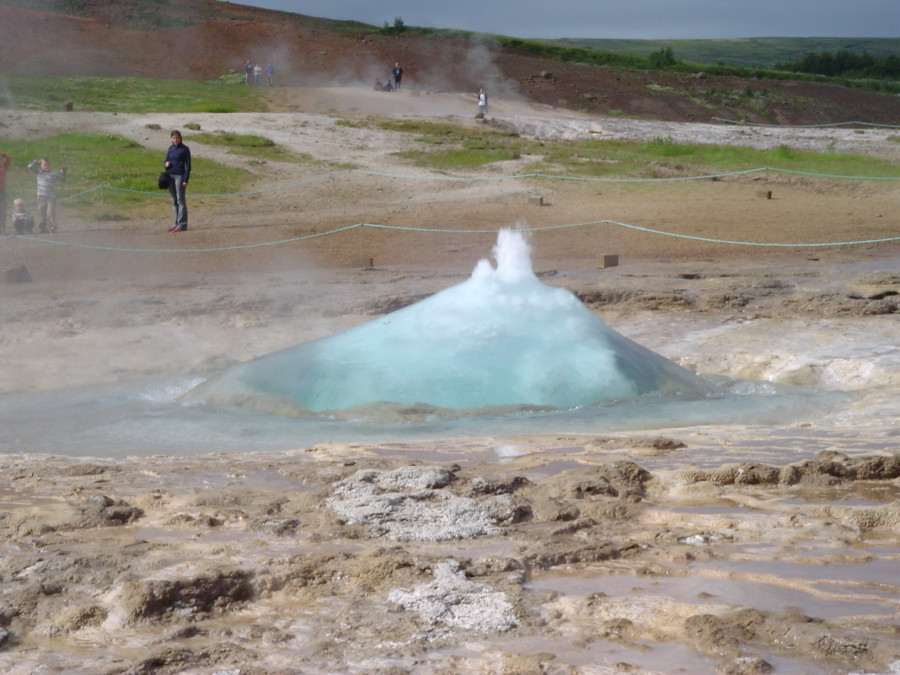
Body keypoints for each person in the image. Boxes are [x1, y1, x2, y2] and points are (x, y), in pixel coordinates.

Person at [27, 157, 66, 233]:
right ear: (41, 165)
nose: (46, 166)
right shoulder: (38, 172)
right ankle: (43, 227)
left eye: (48, 165)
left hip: (50, 196)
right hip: (41, 196)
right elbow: (30, 167)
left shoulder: (53, 174)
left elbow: (62, 178)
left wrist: (63, 171)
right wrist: (36, 162)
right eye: (44, 165)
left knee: (50, 212)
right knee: (42, 212)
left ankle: (52, 227)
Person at [163, 129, 191, 232]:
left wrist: (185, 179)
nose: (175, 140)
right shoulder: (170, 149)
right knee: (174, 200)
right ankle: (176, 223)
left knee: (180, 200)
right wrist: (165, 164)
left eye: (177, 138)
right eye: (173, 138)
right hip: (170, 176)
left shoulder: (185, 149)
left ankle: (182, 224)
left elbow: (188, 166)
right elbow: (165, 161)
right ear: (171, 139)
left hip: (180, 176)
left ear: (180, 138)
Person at [0, 150, 10, 234]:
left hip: (2, 191)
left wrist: (3, 154)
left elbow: (9, 158)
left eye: (0, 159)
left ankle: (2, 229)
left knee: (2, 210)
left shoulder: (4, 167)